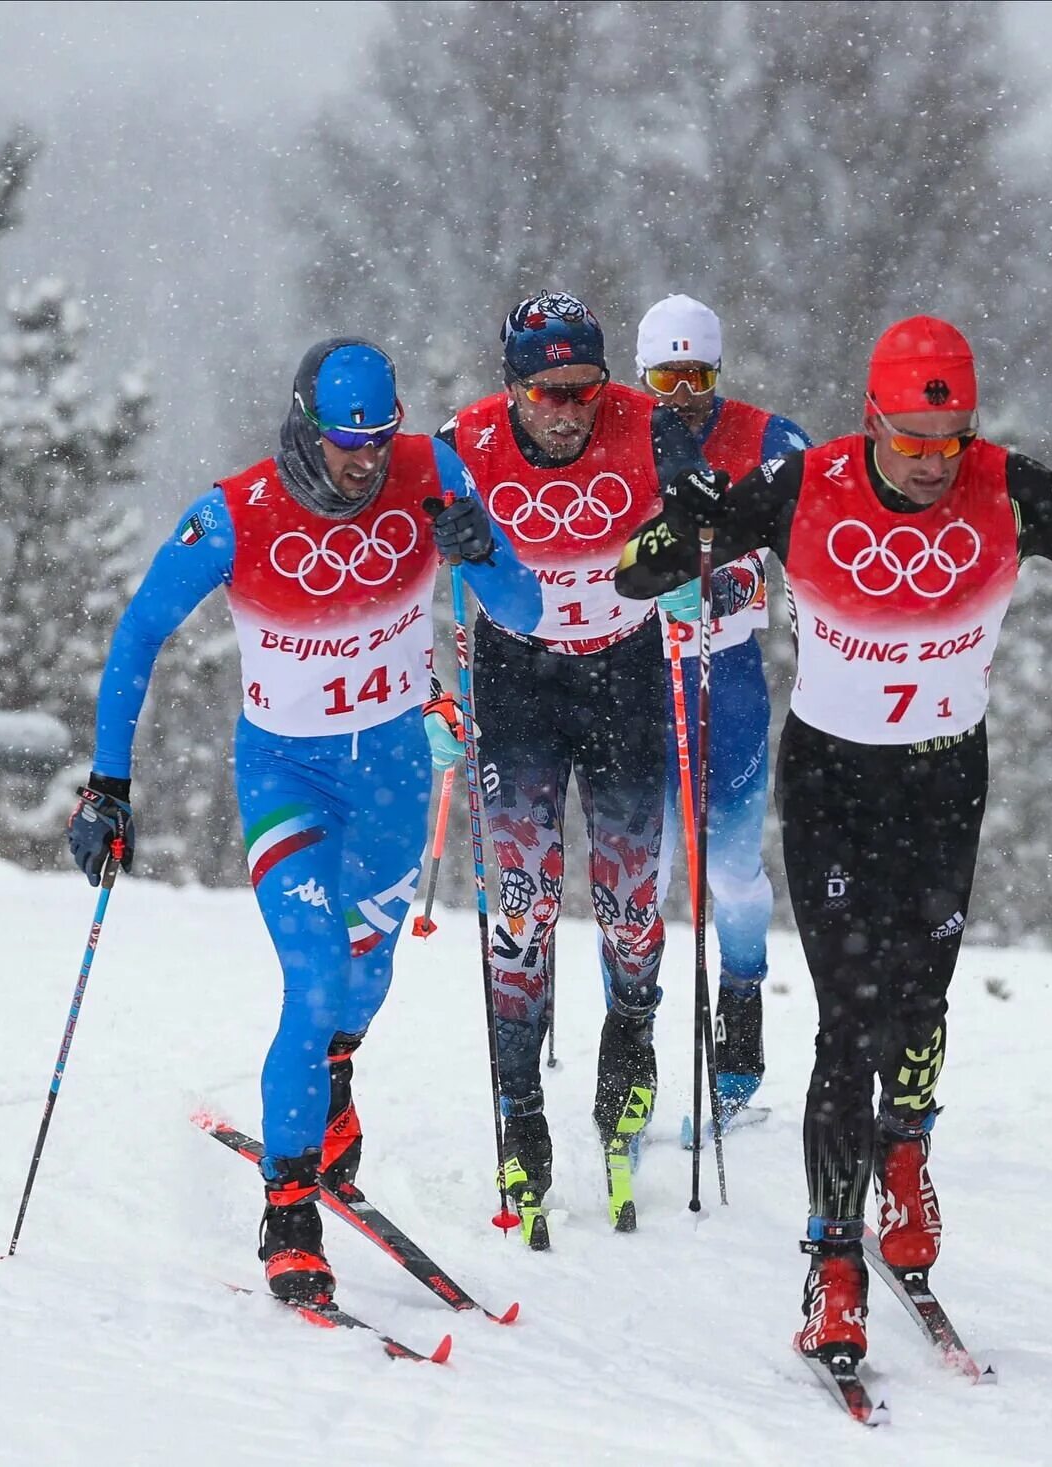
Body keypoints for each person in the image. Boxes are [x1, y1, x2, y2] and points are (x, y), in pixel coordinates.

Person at [616, 315, 1052, 1369]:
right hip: (833, 781)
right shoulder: (804, 484)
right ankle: (831, 1264)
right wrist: (677, 520)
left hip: (942, 781)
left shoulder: (1007, 486)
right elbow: (637, 577)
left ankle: (905, 1149)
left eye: (949, 441)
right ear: (872, 420)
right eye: (911, 442)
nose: (930, 464)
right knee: (848, 1021)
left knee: (920, 1000)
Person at [66, 339, 539, 1305]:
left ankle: (332, 1081)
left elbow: (527, 606)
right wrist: (107, 783)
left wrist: (481, 553)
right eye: (344, 440)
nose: (366, 460)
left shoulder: (430, 473)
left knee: (363, 984)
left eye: (379, 437)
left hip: (397, 774)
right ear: (303, 423)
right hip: (289, 773)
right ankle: (289, 1211)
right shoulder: (234, 511)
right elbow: (139, 635)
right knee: (315, 977)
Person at [429, 292, 681, 1247]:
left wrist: (703, 561)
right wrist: (432, 692)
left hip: (623, 671)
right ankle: (520, 1102)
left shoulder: (650, 427)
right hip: (518, 679)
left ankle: (631, 1037)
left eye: (585, 388)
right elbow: (407, 566)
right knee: (523, 901)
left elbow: (717, 515)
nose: (570, 410)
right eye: (548, 392)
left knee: (628, 898)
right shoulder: (464, 441)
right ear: (512, 387)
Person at [632, 294, 812, 1135]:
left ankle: (740, 1009)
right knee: (642, 874)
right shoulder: (614, 436)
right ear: (642, 375)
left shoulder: (767, 440)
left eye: (697, 375)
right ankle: (629, 1042)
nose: (681, 395)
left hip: (729, 675)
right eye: (665, 376)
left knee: (730, 869)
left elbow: (819, 535)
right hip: (636, 679)